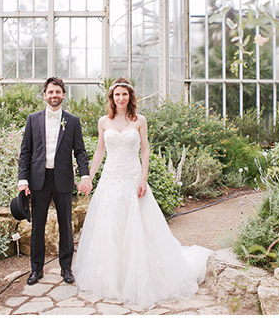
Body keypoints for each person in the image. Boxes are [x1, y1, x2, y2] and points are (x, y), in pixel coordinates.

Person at [73, 77, 213, 307]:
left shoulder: (139, 120)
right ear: (112, 97)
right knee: (111, 227)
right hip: (110, 179)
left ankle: (139, 277)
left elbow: (145, 151)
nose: (120, 98)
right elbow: (99, 152)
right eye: (117, 94)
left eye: (124, 94)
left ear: (130, 97)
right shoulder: (103, 122)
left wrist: (143, 179)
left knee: (137, 227)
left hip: (131, 178)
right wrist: (88, 177)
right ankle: (112, 279)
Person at [18, 76, 89, 285]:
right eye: (50, 92)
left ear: (64, 95)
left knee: (66, 225)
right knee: (37, 226)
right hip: (38, 179)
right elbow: (25, 152)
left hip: (63, 179)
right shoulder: (33, 119)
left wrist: (84, 175)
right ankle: (36, 269)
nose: (54, 95)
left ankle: (66, 268)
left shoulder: (73, 121)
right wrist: (23, 179)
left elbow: (80, 152)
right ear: (45, 95)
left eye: (58, 92)